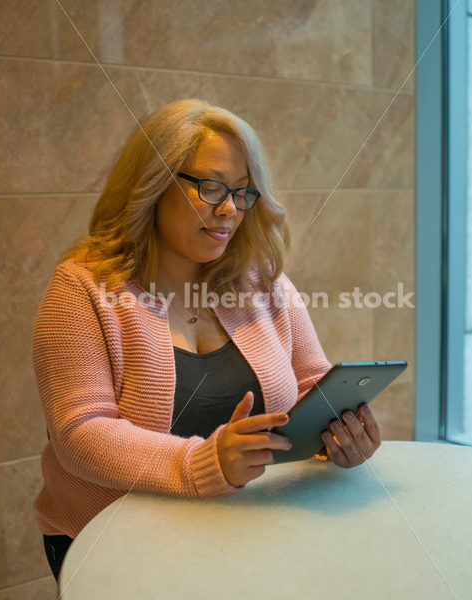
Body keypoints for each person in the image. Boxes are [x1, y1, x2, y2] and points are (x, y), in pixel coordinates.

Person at [32, 98, 382, 582]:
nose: (228, 210)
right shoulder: (84, 288)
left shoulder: (263, 283)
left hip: (242, 534)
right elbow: (79, 434)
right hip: (112, 543)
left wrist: (340, 433)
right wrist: (203, 462)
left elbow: (310, 384)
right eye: (211, 187)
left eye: (242, 193)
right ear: (152, 186)